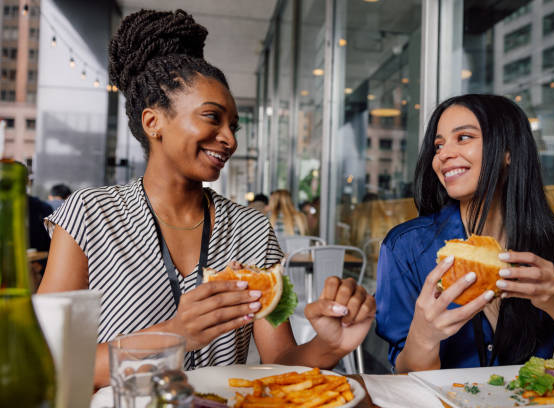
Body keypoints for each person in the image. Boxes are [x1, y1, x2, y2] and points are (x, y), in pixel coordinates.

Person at [38, 9, 375, 388]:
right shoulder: (89, 214)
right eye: (212, 118)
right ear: (153, 123)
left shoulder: (254, 230)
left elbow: (279, 359)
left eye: (233, 125)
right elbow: (49, 356)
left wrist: (329, 346)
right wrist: (177, 334)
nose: (230, 139)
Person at [375, 94, 554, 372]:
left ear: (508, 152)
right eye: (438, 145)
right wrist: (423, 337)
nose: (443, 154)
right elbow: (405, 377)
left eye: (463, 137)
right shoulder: (406, 247)